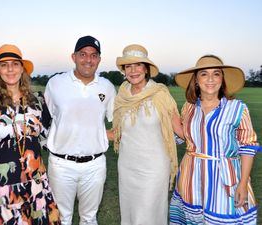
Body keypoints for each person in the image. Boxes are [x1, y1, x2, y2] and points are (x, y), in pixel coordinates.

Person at [0, 44, 61, 224]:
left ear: (22, 69)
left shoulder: (38, 101)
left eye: (15, 64)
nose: (10, 69)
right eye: (4, 65)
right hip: (2, 189)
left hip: (36, 186)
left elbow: (52, 137)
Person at [169, 55, 261, 224]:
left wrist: (242, 183)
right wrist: (169, 114)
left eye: (216, 73)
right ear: (196, 80)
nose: (210, 79)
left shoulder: (237, 108)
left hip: (225, 179)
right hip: (191, 176)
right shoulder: (189, 108)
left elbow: (248, 147)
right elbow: (186, 138)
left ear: (222, 79)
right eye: (204, 74)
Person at [44, 35, 116, 225]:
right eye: (83, 54)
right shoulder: (55, 84)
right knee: (62, 218)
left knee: (89, 218)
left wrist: (104, 134)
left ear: (99, 59)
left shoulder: (107, 87)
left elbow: (114, 122)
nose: (88, 60)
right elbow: (49, 116)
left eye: (94, 55)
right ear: (73, 57)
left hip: (95, 164)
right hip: (61, 164)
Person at [112, 44, 183, 225]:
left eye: (138, 65)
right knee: (129, 215)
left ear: (146, 69)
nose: (133, 70)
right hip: (127, 167)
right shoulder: (121, 95)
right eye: (128, 66)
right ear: (124, 70)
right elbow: (117, 133)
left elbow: (180, 131)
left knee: (148, 216)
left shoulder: (160, 94)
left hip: (154, 169)